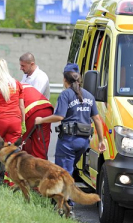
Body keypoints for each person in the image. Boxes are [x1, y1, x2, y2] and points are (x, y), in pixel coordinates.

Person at [35, 63, 106, 212]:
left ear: (65, 79)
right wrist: (101, 140)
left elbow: (59, 116)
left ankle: (65, 206)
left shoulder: (66, 94)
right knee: (69, 170)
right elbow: (97, 119)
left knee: (62, 173)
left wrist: (41, 120)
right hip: (83, 142)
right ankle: (63, 201)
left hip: (68, 141)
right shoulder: (89, 96)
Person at [21, 83, 54, 160]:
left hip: (31, 111)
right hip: (47, 109)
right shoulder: (22, 85)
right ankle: (41, 168)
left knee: (19, 142)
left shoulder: (8, 90)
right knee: (41, 145)